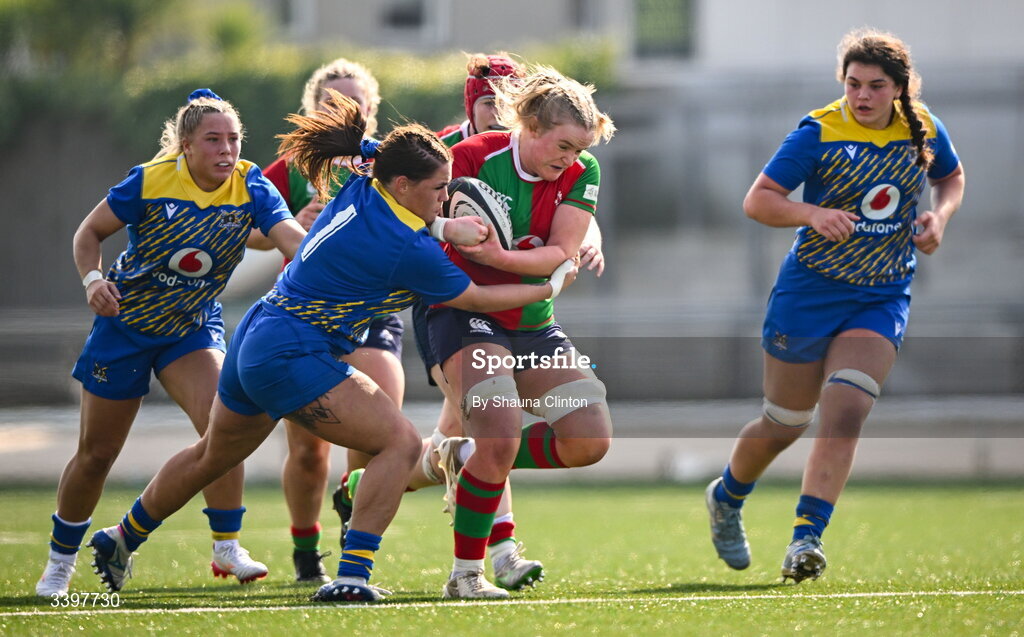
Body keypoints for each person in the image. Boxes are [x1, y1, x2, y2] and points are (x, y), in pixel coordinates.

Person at [86, 91, 579, 603]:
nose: (446, 196)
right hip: (292, 350)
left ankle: (121, 537)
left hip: (259, 333)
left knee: (211, 455)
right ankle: (353, 576)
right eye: (439, 189)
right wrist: (552, 283)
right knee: (402, 444)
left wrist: (442, 222)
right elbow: (477, 296)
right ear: (405, 185)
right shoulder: (407, 250)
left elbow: (391, 172)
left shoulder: (365, 178)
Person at [704, 28, 965, 583]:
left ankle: (806, 539)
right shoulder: (818, 132)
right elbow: (759, 202)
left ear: (899, 89)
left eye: (875, 86)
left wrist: (938, 218)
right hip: (810, 294)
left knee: (846, 408)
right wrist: (812, 214)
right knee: (785, 422)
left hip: (880, 295)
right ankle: (727, 497)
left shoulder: (923, 128)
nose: (862, 96)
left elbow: (951, 178)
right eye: (853, 84)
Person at [34, 89, 305, 598]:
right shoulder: (151, 180)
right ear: (185, 145)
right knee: (96, 455)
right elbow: (88, 233)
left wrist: (321, 258)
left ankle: (227, 544)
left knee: (226, 424)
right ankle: (59, 563)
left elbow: (287, 236)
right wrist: (93, 281)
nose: (226, 150)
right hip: (125, 328)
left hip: (191, 328)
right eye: (213, 140)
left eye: (233, 139)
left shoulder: (249, 183)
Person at [425, 65, 616, 599]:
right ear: (530, 125)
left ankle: (467, 456)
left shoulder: (583, 173)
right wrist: (445, 229)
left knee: (590, 439)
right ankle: (466, 576)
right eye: (563, 146)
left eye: (580, 149)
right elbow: (407, 214)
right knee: (501, 435)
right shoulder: (469, 157)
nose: (571, 160)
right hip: (465, 315)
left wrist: (495, 255)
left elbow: (561, 253)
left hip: (533, 323)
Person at [248, 58, 404, 584]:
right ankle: (305, 549)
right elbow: (247, 225)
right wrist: (287, 227)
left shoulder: (388, 161)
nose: (341, 111)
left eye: (352, 103)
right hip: (306, 315)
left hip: (370, 310)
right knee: (309, 451)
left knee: (381, 427)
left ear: (372, 112)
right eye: (328, 103)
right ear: (310, 111)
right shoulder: (293, 166)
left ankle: (352, 517)